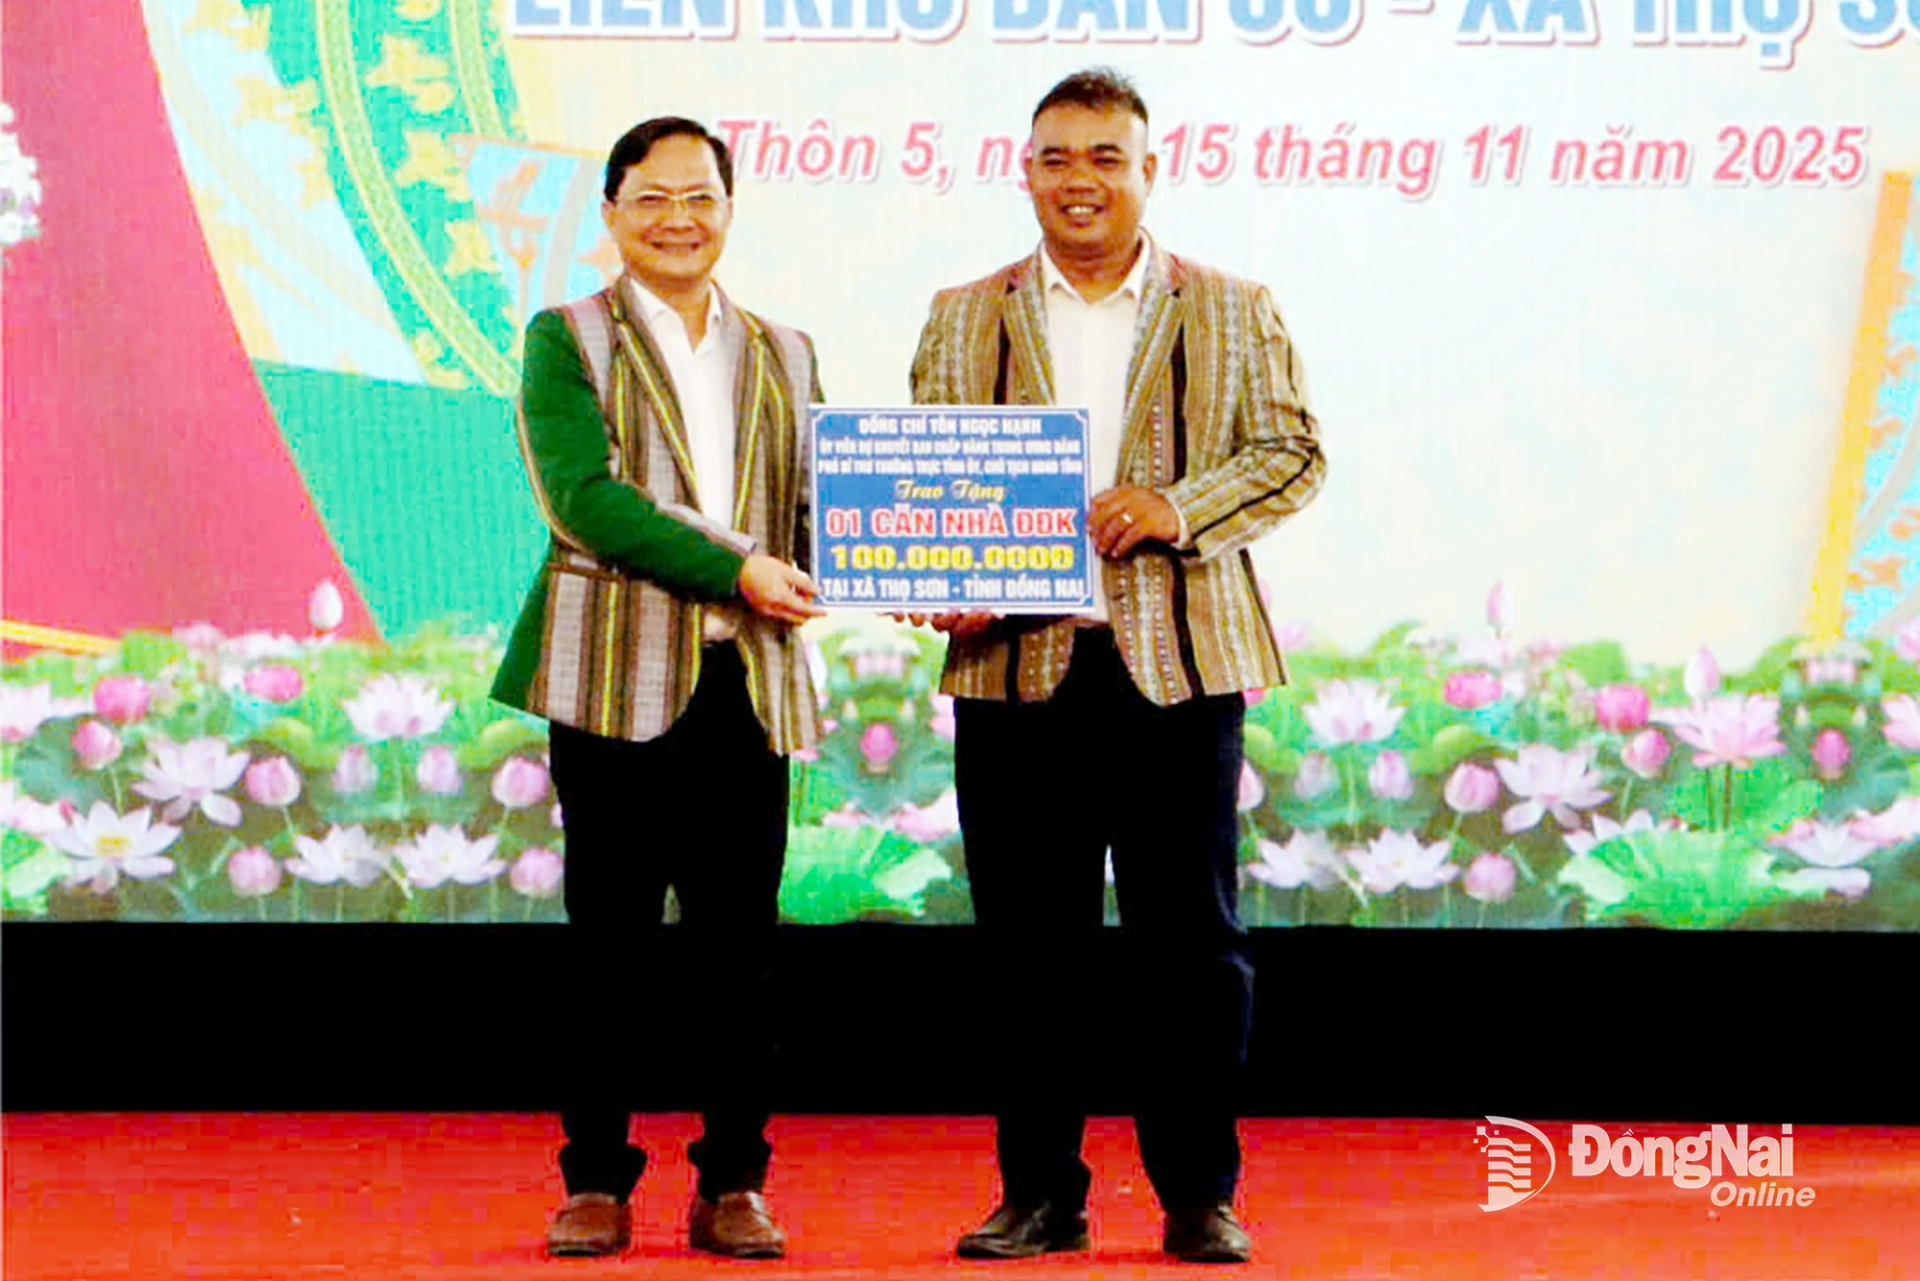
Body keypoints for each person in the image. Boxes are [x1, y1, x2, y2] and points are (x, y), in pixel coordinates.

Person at [907, 68, 1327, 1264]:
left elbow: (1294, 454)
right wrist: (942, 577)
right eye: (1056, 157)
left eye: (1105, 157)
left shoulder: (1233, 307)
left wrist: (1177, 507)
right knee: (1027, 953)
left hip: (1176, 672)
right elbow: (933, 485)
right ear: (1025, 169)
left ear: (1149, 171)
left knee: (1190, 949)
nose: (1079, 179)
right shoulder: (962, 312)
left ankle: (1200, 1193)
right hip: (1015, 677)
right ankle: (1039, 1193)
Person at [491, 116, 824, 1261]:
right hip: (616, 685)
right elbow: (585, 500)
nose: (678, 218)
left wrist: (925, 558)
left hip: (749, 687)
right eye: (652, 198)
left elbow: (819, 512)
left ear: (730, 210)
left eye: (700, 197)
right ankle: (596, 1180)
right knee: (609, 952)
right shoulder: (564, 337)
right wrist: (737, 564)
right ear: (613, 214)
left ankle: (734, 1180)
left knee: (743, 955)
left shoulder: (787, 349)